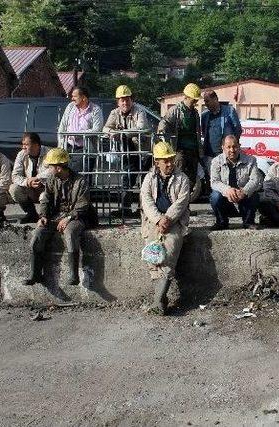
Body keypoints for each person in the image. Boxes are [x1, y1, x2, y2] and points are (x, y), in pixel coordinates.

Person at [23, 148, 98, 287]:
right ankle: (35, 274)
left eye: (50, 166)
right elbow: (46, 199)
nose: (48, 169)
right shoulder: (52, 180)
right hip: (58, 216)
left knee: (70, 232)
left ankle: (73, 275)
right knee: (38, 233)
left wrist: (69, 217)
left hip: (78, 217)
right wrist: (43, 216)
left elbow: (83, 205)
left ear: (58, 168)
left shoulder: (80, 181)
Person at [140, 141, 191, 315]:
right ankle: (161, 300)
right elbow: (146, 200)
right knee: (153, 256)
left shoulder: (182, 178)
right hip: (154, 222)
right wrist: (158, 219)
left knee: (169, 254)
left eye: (171, 160)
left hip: (174, 222)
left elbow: (181, 202)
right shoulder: (149, 178)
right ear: (157, 162)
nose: (170, 164)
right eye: (165, 161)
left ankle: (157, 301)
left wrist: (167, 218)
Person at [103, 85, 149, 217]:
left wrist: (121, 133)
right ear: (118, 102)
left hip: (143, 152)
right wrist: (112, 132)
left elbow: (141, 128)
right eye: (122, 100)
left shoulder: (139, 111)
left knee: (144, 182)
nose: (125, 102)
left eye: (127, 99)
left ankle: (143, 210)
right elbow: (105, 128)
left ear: (131, 100)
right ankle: (126, 209)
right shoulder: (114, 113)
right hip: (126, 152)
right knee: (126, 179)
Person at [209, 134, 262, 230]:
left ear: (239, 146)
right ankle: (222, 222)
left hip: (243, 199)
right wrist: (227, 190)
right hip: (226, 200)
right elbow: (214, 182)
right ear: (223, 148)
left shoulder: (251, 160)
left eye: (234, 147)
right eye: (228, 147)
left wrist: (244, 191)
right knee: (215, 196)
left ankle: (248, 222)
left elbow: (255, 180)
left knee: (254, 194)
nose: (232, 150)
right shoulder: (216, 161)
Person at [158, 83, 202, 191]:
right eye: (193, 99)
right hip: (180, 151)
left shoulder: (195, 113)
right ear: (186, 97)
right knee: (178, 179)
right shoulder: (175, 110)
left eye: (196, 100)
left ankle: (185, 205)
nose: (195, 102)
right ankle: (177, 204)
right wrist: (163, 135)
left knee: (191, 180)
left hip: (193, 151)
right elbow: (164, 122)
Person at [57, 86, 104, 171]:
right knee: (67, 175)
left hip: (85, 149)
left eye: (75, 96)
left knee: (83, 177)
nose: (72, 99)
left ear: (83, 98)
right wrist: (60, 144)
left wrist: (78, 134)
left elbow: (97, 129)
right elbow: (62, 125)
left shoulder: (95, 110)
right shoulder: (70, 107)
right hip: (68, 147)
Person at [9, 132, 50, 224]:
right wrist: (27, 182)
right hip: (30, 188)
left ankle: (45, 217)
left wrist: (38, 178)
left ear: (36, 145)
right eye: (23, 144)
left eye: (26, 144)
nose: (23, 147)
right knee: (14, 189)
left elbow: (53, 171)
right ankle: (31, 214)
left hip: (45, 188)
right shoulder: (21, 154)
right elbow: (15, 176)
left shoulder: (49, 153)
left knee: (44, 196)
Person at [201, 90, 242, 158]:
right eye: (205, 101)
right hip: (208, 155)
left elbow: (238, 130)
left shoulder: (230, 111)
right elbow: (203, 131)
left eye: (207, 101)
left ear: (215, 99)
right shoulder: (204, 115)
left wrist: (231, 146)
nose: (206, 104)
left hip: (225, 154)